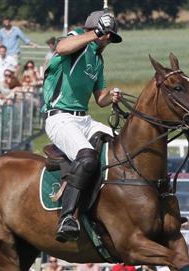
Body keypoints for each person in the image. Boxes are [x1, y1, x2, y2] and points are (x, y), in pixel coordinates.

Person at [41, 10, 123, 242]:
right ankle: (67, 217)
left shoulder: (98, 59)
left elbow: (100, 98)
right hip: (60, 118)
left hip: (83, 119)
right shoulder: (77, 41)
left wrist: (112, 96)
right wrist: (94, 33)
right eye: (107, 35)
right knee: (86, 157)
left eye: (110, 37)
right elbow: (61, 47)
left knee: (120, 146)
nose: (108, 40)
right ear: (95, 30)